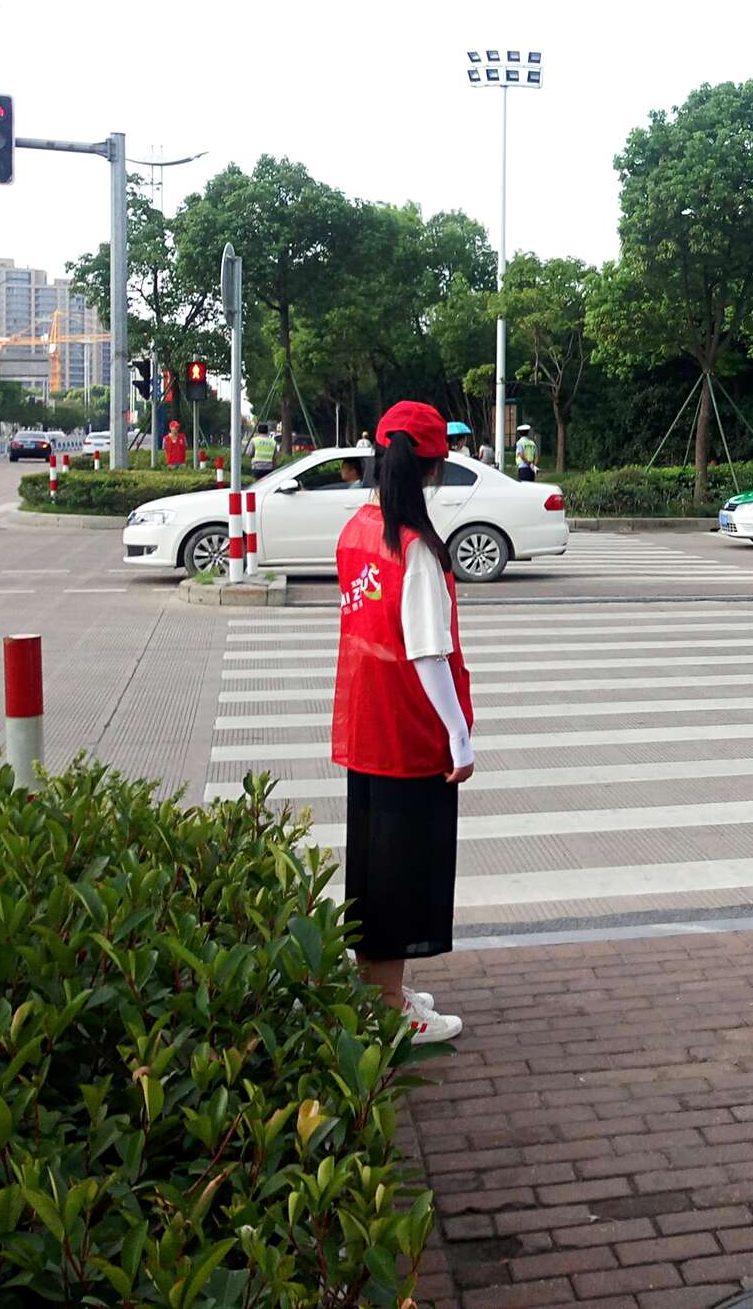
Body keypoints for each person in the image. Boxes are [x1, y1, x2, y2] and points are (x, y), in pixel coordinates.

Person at [330, 401, 474, 1044]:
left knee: (372, 860)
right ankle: (390, 1007)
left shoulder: (357, 528)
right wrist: (458, 737)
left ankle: (377, 988)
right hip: (408, 729)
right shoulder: (415, 548)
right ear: (433, 467)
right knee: (403, 867)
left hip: (366, 717)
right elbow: (428, 652)